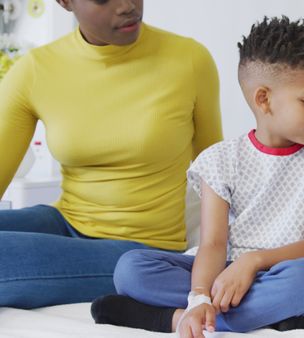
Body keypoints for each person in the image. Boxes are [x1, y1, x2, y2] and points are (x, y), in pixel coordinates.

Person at [89, 16, 304, 336]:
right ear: (263, 99)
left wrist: (252, 263)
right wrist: (200, 295)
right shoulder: (220, 160)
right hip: (222, 273)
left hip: (287, 271)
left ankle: (171, 320)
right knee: (131, 268)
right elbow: (214, 243)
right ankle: (259, 314)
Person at [0, 0, 222, 309]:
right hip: (65, 222)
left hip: (142, 250)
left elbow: (218, 176)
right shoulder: (35, 70)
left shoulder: (189, 60)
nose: (127, 6)